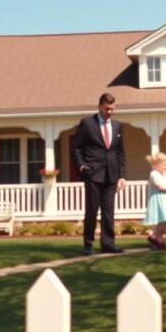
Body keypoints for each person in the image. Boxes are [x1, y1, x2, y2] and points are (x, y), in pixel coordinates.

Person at [72, 93, 126, 255]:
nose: (110, 111)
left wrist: (122, 175)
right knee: (92, 210)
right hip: (93, 174)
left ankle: (108, 244)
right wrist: (81, 166)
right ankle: (88, 244)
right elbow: (76, 147)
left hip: (112, 175)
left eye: (112, 109)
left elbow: (120, 152)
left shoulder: (117, 126)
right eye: (107, 108)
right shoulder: (87, 123)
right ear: (100, 106)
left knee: (109, 212)